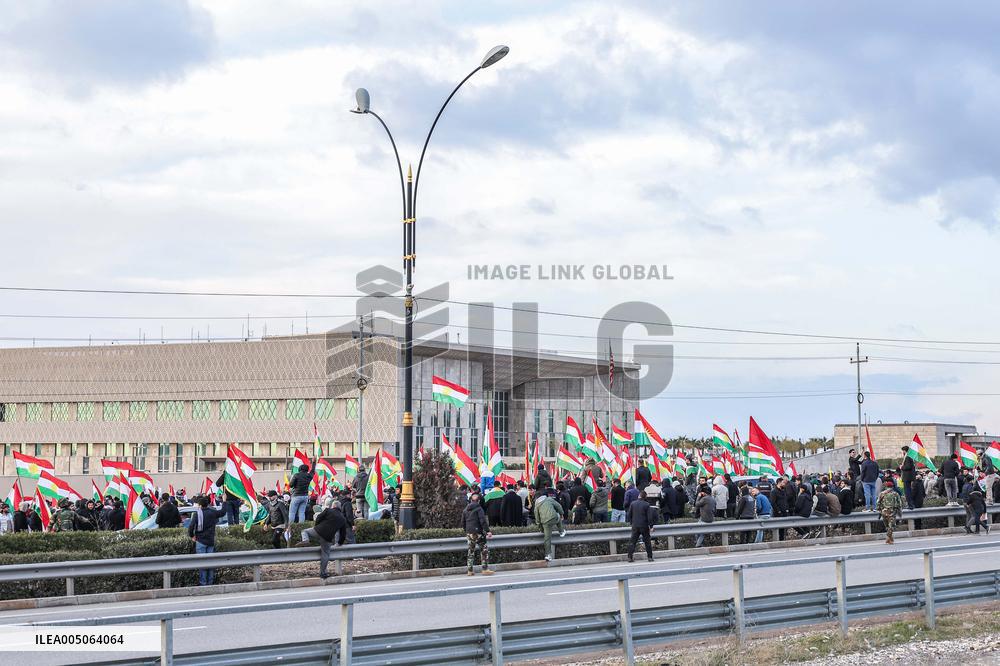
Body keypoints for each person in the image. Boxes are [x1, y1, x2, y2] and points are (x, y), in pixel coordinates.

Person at [297, 497, 347, 579]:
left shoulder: (328, 510)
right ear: (340, 507)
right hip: (327, 537)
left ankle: (305, 540)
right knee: (325, 554)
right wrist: (340, 543)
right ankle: (323, 573)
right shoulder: (342, 518)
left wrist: (317, 526)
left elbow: (319, 517)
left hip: (318, 530)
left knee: (304, 531)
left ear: (333, 506)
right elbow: (343, 533)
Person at [188, 496, 227, 585]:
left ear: (200, 505)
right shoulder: (212, 512)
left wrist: (192, 536)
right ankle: (210, 583)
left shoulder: (197, 514)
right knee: (210, 564)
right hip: (210, 541)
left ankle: (203, 583)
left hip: (200, 541)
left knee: (202, 564)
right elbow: (223, 512)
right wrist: (224, 501)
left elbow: (191, 527)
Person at [462, 491, 493, 575]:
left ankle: (470, 570)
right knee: (484, 550)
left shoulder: (465, 510)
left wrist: (467, 531)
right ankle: (485, 569)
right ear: (479, 501)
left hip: (469, 533)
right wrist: (488, 531)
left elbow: (463, 523)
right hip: (478, 532)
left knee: (470, 551)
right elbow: (483, 521)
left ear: (470, 500)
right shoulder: (479, 509)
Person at [533, 488, 565, 561]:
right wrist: (562, 514)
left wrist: (541, 529)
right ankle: (561, 531)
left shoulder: (536, 506)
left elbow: (537, 520)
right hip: (554, 517)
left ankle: (548, 555)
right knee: (558, 516)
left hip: (545, 522)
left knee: (547, 539)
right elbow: (558, 506)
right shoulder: (549, 499)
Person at [626, 491, 656, 562]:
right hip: (644, 525)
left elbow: (629, 514)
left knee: (632, 541)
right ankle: (650, 557)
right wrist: (651, 526)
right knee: (647, 542)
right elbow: (649, 517)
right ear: (645, 497)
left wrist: (631, 522)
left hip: (635, 525)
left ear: (639, 496)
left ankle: (630, 557)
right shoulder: (646, 504)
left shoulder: (633, 503)